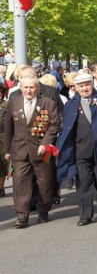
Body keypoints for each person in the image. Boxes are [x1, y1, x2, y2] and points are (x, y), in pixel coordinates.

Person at [55, 73, 97, 226]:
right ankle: (85, 215)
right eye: (81, 86)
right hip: (81, 150)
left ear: (92, 85)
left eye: (87, 85)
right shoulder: (70, 105)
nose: (85, 88)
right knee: (83, 184)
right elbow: (66, 127)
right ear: (75, 88)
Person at [3, 75, 60, 228]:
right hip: (19, 150)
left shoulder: (48, 103)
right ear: (20, 88)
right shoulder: (14, 103)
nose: (28, 90)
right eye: (25, 87)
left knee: (45, 182)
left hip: (41, 150)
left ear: (38, 88)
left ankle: (43, 210)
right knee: (20, 181)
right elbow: (8, 127)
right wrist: (7, 150)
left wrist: (46, 143)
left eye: (31, 87)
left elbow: (54, 125)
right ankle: (22, 216)